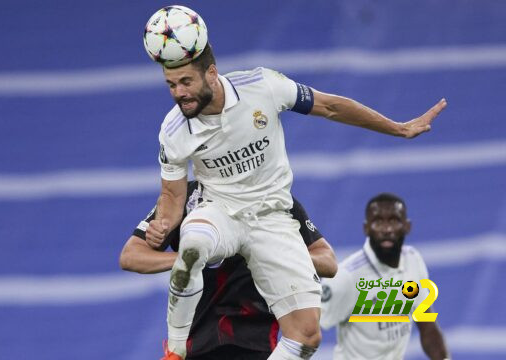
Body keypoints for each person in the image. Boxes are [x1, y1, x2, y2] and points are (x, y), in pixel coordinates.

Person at [144, 18, 447, 359]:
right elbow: (172, 196)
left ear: (211, 73)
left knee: (306, 336)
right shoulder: (173, 129)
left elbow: (331, 106)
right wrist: (164, 225)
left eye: (185, 82)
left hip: (272, 218)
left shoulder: (262, 86)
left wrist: (397, 128)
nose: (179, 93)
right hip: (220, 212)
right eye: (171, 85)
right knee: (194, 244)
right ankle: (173, 351)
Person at [120, 181, 338, 360]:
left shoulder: (275, 200)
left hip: (255, 345)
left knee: (307, 337)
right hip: (195, 344)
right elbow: (131, 256)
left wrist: (274, 254)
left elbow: (328, 261)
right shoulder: (186, 199)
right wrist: (192, 257)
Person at [320, 193, 449, 359]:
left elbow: (428, 327)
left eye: (394, 221)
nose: (387, 229)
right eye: (378, 221)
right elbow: (306, 330)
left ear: (407, 226)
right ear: (366, 228)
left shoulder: (413, 261)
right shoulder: (346, 277)